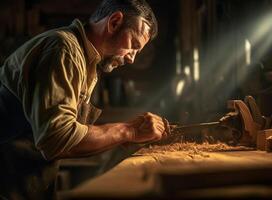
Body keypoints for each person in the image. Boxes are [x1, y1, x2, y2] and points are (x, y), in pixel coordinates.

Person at [0, 0, 168, 199]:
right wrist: (128, 131)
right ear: (114, 22)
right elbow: (56, 139)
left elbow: (67, 141)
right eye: (133, 45)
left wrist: (126, 136)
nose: (132, 58)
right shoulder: (64, 49)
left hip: (24, 183)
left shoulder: (86, 60)